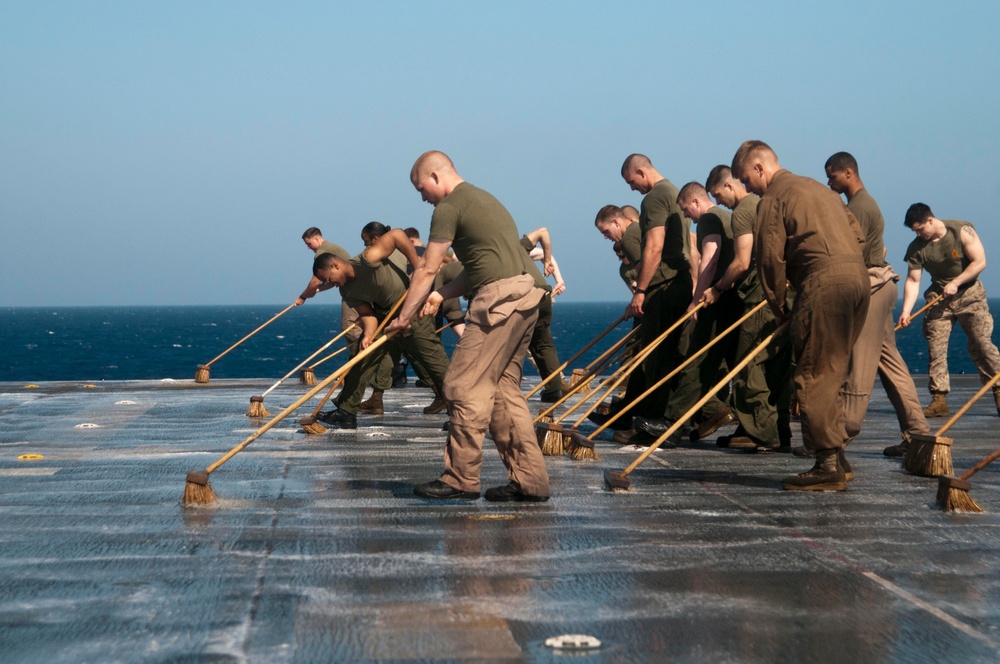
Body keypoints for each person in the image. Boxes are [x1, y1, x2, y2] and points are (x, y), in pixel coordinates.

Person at [389, 150, 552, 502]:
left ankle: (460, 479)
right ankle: (530, 482)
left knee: (462, 385)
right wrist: (441, 295)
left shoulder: (448, 208)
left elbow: (427, 267)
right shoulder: (485, 199)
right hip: (527, 296)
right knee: (504, 391)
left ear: (435, 176)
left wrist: (404, 317)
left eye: (421, 188)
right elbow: (481, 267)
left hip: (499, 303)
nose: (422, 197)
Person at [732, 140, 869, 491]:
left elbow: (768, 260)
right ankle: (837, 456)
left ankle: (826, 464)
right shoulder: (818, 190)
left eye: (746, 180)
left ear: (760, 168)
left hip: (823, 283)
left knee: (812, 374)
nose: (747, 188)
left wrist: (780, 309)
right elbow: (858, 234)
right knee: (832, 369)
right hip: (857, 280)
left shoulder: (774, 199)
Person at [824, 152, 930, 459]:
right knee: (890, 363)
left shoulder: (858, 207)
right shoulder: (866, 204)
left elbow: (850, 255)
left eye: (832, 176)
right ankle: (918, 434)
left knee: (859, 363)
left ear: (848, 173)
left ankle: (838, 436)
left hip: (870, 289)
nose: (829, 182)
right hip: (884, 286)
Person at [589, 155, 693, 440]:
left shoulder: (655, 197)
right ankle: (653, 417)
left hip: (664, 284)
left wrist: (642, 290)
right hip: (680, 280)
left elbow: (655, 247)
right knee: (667, 353)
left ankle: (654, 422)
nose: (632, 189)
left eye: (631, 182)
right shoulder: (673, 191)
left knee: (656, 356)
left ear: (640, 171)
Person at [311, 228, 451, 429]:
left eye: (328, 278)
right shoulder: (346, 290)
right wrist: (368, 334)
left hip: (411, 309)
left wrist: (417, 265)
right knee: (362, 357)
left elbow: (396, 235)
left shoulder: (367, 259)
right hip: (384, 317)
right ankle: (346, 412)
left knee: (433, 360)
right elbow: (367, 314)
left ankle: (462, 411)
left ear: (335, 265)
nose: (328, 283)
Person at [634, 182, 738, 441]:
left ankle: (671, 423)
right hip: (734, 299)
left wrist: (696, 298)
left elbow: (710, 259)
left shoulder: (710, 219)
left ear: (695, 202)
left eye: (686, 210)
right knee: (738, 364)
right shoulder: (728, 217)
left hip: (715, 300)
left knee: (696, 361)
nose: (687, 217)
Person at [704, 165, 792, 451]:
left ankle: (759, 433)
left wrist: (717, 289)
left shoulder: (743, 211)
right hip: (785, 293)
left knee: (748, 363)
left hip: (760, 296)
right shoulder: (765, 205)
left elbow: (742, 262)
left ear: (730, 186)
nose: (718, 203)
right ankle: (778, 431)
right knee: (776, 366)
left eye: (718, 195)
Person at [898, 203, 1000, 418]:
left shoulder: (962, 231)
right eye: (914, 231)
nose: (918, 234)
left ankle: (998, 388)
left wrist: (956, 282)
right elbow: (913, 280)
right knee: (936, 347)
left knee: (981, 343)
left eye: (920, 229)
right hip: (939, 297)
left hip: (969, 293)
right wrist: (906, 311)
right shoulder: (917, 247)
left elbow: (980, 261)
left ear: (931, 220)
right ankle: (939, 399)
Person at [520, 227, 569, 402]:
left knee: (509, 344)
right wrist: (558, 279)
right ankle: (554, 388)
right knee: (543, 345)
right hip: (544, 296)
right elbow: (543, 234)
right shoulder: (518, 246)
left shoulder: (491, 255)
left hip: (524, 299)